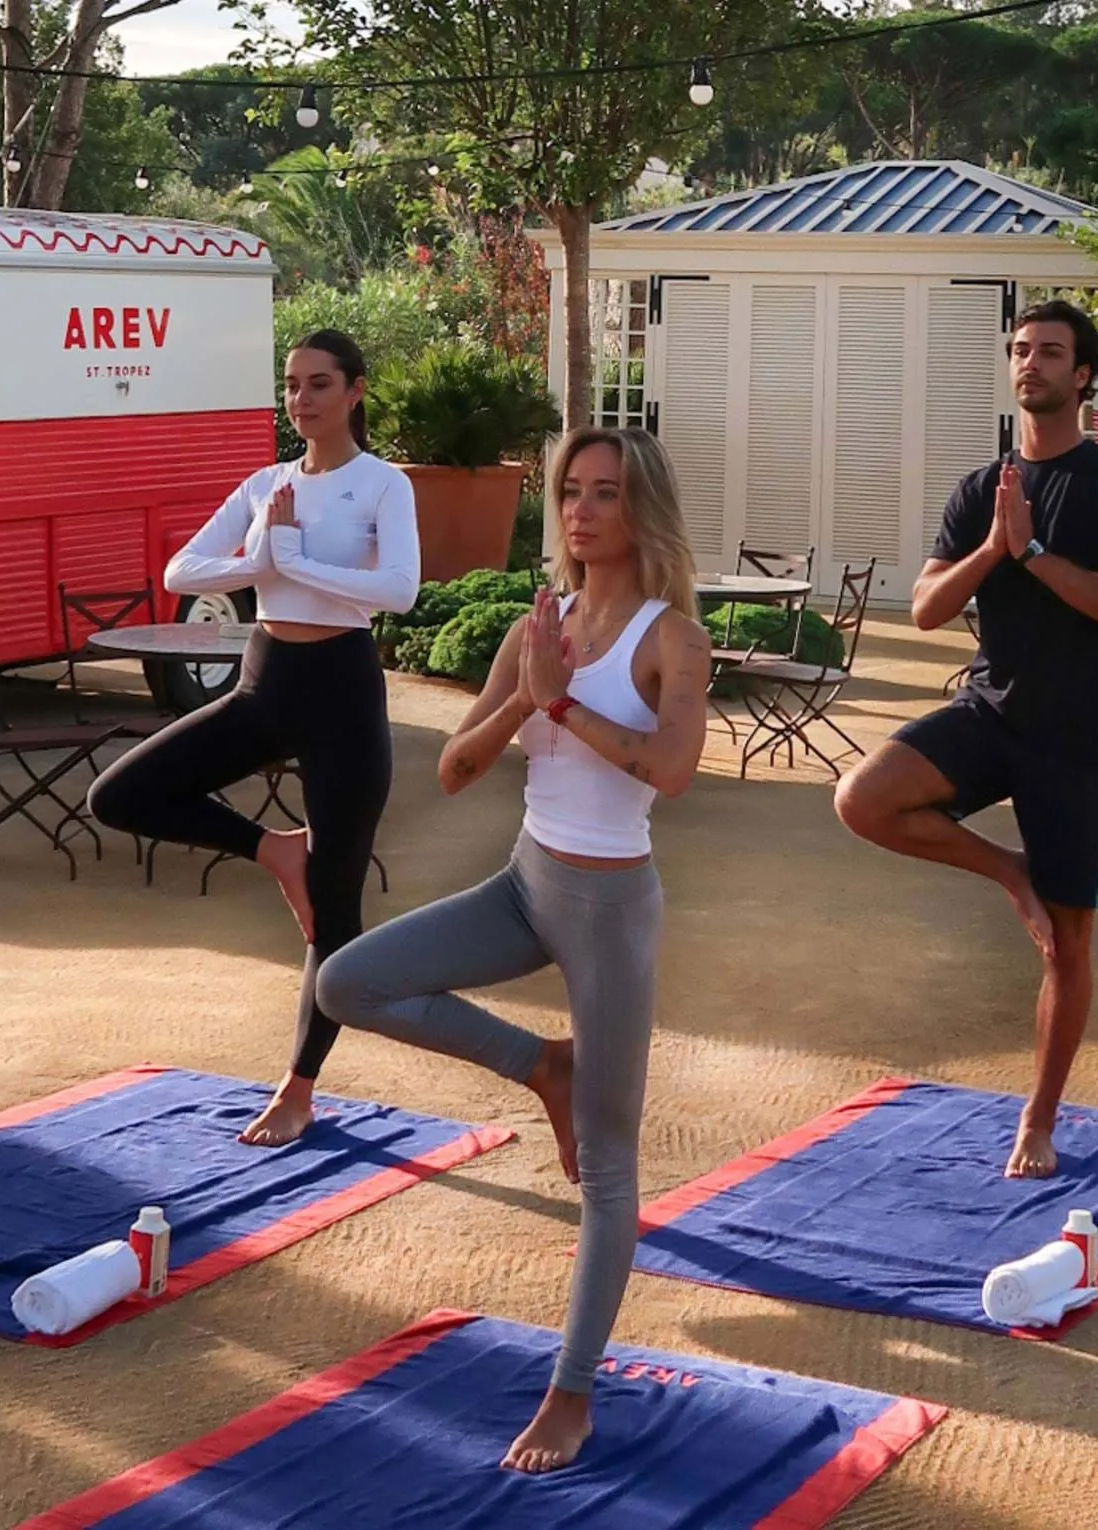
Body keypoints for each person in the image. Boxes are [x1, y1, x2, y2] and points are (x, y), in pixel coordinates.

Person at [315, 425, 711, 1474]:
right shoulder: (540, 625)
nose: (579, 512)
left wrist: (564, 704)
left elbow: (670, 771)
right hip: (526, 884)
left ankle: (570, 1396)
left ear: (642, 509)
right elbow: (451, 768)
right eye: (568, 492)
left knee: (611, 1172)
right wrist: (524, 702)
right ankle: (540, 1063)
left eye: (604, 494)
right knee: (345, 981)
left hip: (612, 914)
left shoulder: (671, 638)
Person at [833, 298, 1098, 1179]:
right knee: (861, 799)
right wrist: (993, 548)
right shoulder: (984, 489)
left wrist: (1034, 559)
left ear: (1084, 374)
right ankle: (1010, 871)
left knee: (1068, 945)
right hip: (990, 711)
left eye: (1051, 352)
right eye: (1021, 350)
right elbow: (924, 608)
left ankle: (1039, 1117)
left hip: (1080, 736)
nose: (1032, 364)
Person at [88, 329, 420, 1147]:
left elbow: (400, 592)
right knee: (120, 795)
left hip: (343, 690)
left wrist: (294, 561)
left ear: (355, 392)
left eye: (317, 384)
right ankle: (273, 850)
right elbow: (180, 573)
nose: (300, 400)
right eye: (292, 385)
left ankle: (298, 1089)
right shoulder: (266, 484)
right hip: (265, 682)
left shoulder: (383, 485)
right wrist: (261, 556)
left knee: (335, 913)